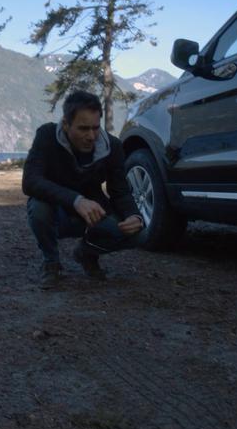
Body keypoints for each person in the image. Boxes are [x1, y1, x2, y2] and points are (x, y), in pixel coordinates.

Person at [22, 90, 145, 286]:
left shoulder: (112, 146)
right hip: (57, 213)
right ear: (65, 124)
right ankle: (51, 263)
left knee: (139, 233)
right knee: (38, 208)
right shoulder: (46, 135)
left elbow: (120, 191)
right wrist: (76, 200)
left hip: (93, 215)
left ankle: (87, 254)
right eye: (83, 129)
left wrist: (133, 215)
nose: (91, 136)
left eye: (96, 128)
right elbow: (30, 181)